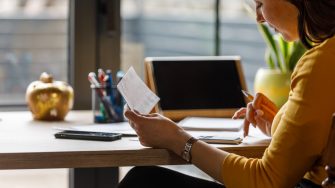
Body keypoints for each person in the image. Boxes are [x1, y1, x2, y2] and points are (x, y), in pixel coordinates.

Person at [118, 0, 335, 187]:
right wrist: (279, 125)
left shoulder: (320, 64)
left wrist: (176, 138)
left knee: (144, 181)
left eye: (260, 4)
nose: (259, 17)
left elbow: (265, 181)